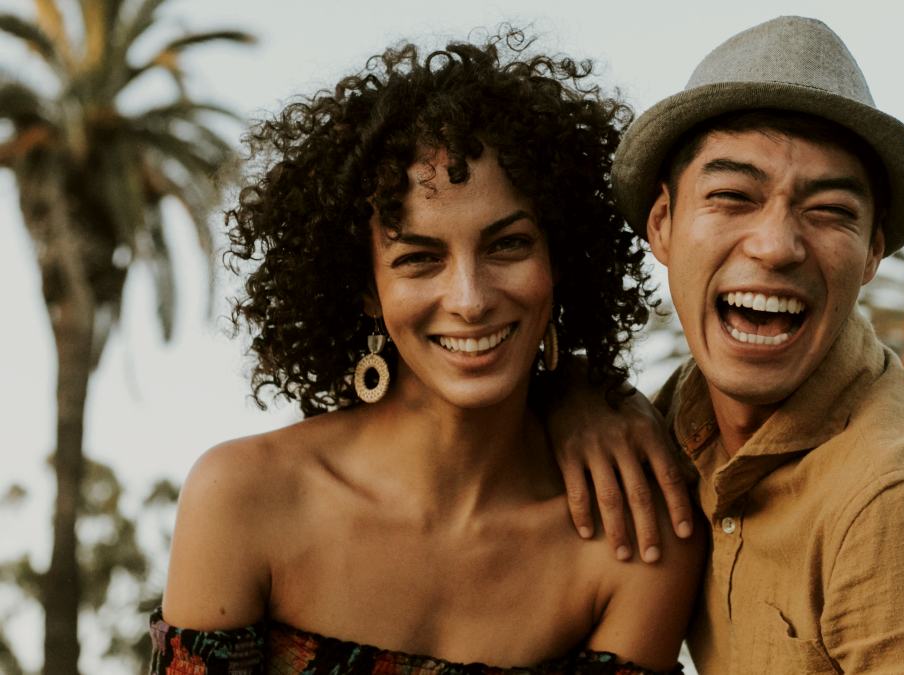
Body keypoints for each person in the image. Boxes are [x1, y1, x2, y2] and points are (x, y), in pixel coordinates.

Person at [550, 16, 904, 673]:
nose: (777, 245)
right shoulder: (682, 424)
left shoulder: (903, 502)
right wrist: (568, 393)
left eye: (830, 210)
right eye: (731, 196)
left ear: (872, 253)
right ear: (662, 224)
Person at [151, 31, 702, 674]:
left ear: (562, 260)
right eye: (419, 258)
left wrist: (593, 389)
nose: (469, 299)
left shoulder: (632, 539)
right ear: (365, 286)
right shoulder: (245, 499)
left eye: (508, 246)